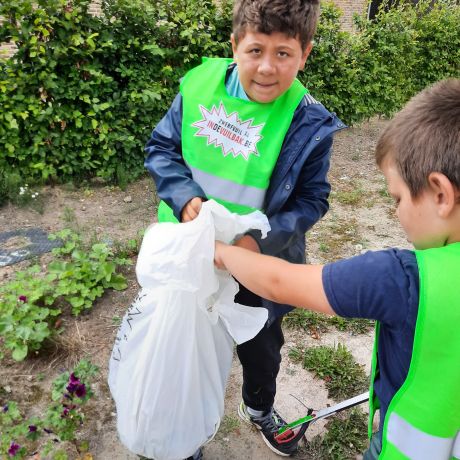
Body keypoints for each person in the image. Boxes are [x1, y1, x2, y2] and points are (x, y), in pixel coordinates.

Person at [214, 78, 460, 459]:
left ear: (440, 194)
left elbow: (279, 282)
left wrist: (224, 253)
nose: (396, 212)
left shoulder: (400, 279)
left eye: (397, 198)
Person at [144, 0, 345, 457]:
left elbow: (312, 199)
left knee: (261, 347)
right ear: (235, 45)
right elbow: (162, 149)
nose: (268, 68)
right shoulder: (198, 87)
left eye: (283, 53)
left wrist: (260, 239)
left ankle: (259, 408)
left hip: (257, 262)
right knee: (185, 353)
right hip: (187, 253)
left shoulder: (307, 121)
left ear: (305, 53)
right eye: (255, 50)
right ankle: (186, 432)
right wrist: (183, 198)